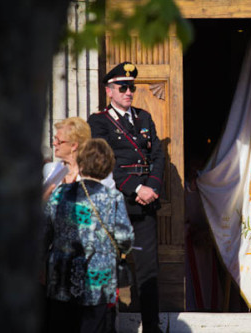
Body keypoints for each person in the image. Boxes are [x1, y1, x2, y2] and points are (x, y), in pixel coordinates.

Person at [88, 61, 165, 333]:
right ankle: (106, 326)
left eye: (131, 87)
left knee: (148, 270)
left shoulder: (144, 118)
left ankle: (152, 326)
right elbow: (104, 160)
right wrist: (136, 188)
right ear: (109, 91)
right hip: (118, 205)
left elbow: (157, 154)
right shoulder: (98, 121)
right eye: (122, 87)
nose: (128, 92)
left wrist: (152, 187)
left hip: (145, 206)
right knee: (108, 267)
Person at [43, 138, 134, 333]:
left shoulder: (59, 193)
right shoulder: (113, 198)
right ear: (108, 165)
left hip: (61, 278)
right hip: (97, 281)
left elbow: (44, 233)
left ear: (81, 163)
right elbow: (125, 238)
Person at [43, 117, 115, 199]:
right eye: (55, 139)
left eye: (59, 141)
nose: (54, 143)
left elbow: (108, 203)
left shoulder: (98, 171)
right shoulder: (50, 169)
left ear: (74, 145)